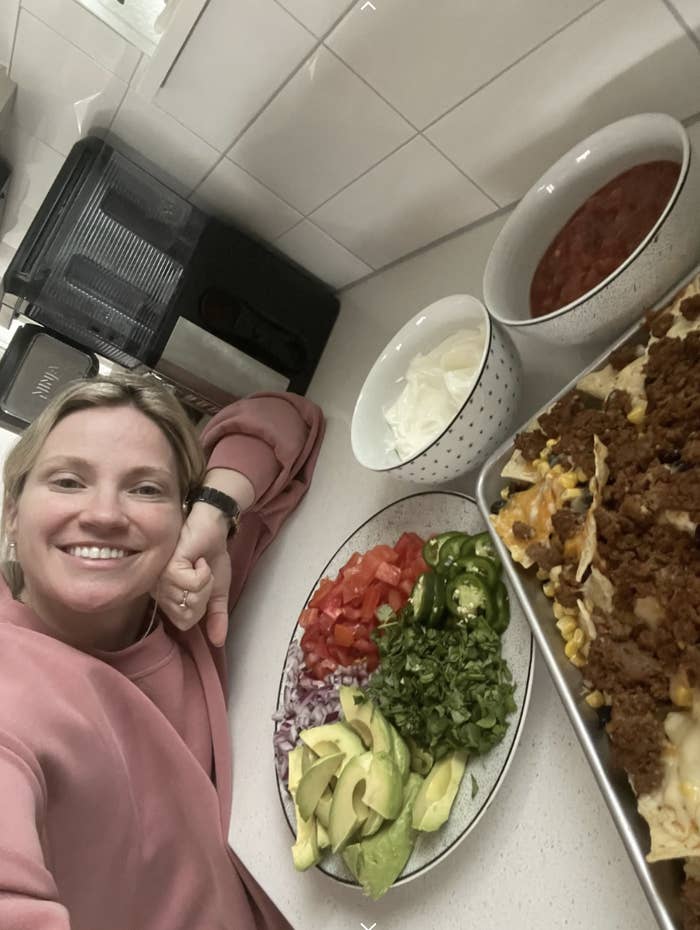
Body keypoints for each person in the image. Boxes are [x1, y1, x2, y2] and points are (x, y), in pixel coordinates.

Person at [0, 374, 324, 930]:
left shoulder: (177, 593)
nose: (104, 513)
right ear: (11, 515)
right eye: (68, 481)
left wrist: (214, 514)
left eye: (145, 489)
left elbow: (283, 419)